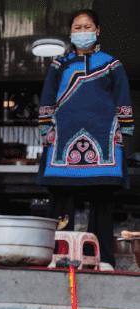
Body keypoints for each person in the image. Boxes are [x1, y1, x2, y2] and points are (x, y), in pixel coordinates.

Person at [37, 8, 133, 267]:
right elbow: (47, 98)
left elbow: (122, 99)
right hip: (63, 142)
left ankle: (102, 260)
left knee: (101, 203)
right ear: (70, 33)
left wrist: (125, 131)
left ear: (97, 30)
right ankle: (56, 256)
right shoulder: (60, 64)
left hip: (103, 142)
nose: (82, 32)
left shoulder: (112, 64)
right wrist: (46, 129)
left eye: (87, 27)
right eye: (77, 28)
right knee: (60, 202)